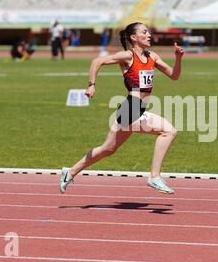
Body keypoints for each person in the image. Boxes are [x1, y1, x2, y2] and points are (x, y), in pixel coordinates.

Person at [60, 22, 184, 195]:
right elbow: (97, 61)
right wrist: (91, 85)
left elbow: (174, 75)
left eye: (148, 32)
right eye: (144, 32)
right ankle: (154, 176)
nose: (149, 35)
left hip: (136, 109)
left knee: (108, 149)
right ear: (134, 37)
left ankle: (70, 172)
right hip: (130, 109)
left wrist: (178, 58)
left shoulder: (152, 57)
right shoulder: (128, 56)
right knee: (168, 131)